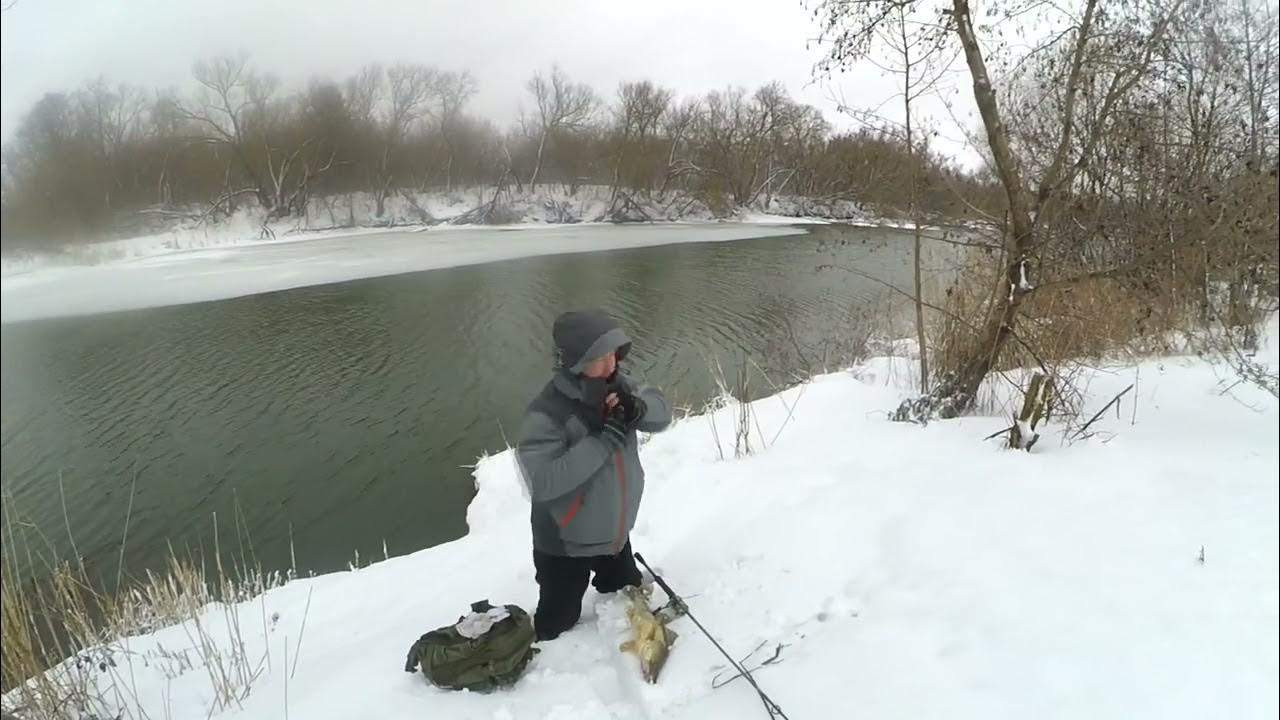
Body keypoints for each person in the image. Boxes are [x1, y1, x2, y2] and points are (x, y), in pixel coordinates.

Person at [514, 309, 673, 641]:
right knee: (557, 624)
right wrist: (603, 442)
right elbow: (543, 483)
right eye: (599, 358)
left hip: (613, 535)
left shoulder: (620, 387)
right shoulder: (547, 413)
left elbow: (662, 413)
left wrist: (638, 408)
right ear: (573, 361)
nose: (611, 365)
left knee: (623, 590)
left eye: (614, 354)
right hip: (564, 544)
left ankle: (613, 578)